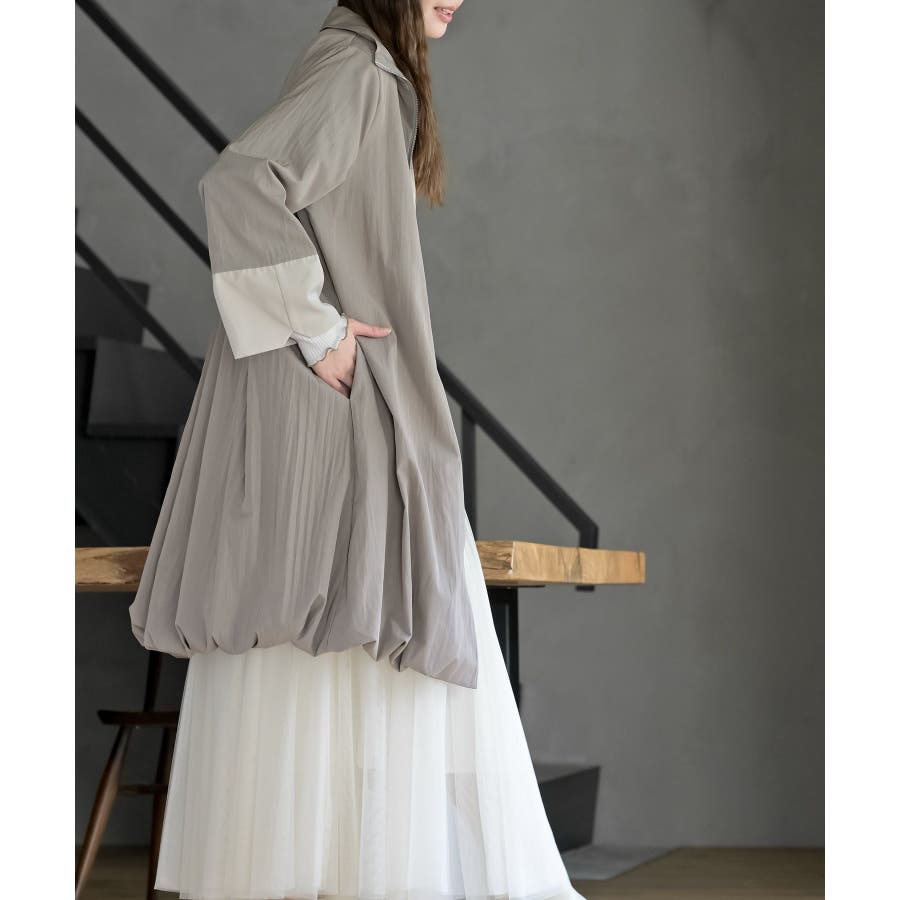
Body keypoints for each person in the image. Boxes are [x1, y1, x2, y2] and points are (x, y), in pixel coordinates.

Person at [131, 2, 587, 898]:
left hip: (326, 401)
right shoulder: (357, 69)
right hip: (331, 403)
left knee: (334, 628)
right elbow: (240, 181)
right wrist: (319, 332)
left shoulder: (363, 64)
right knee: (343, 618)